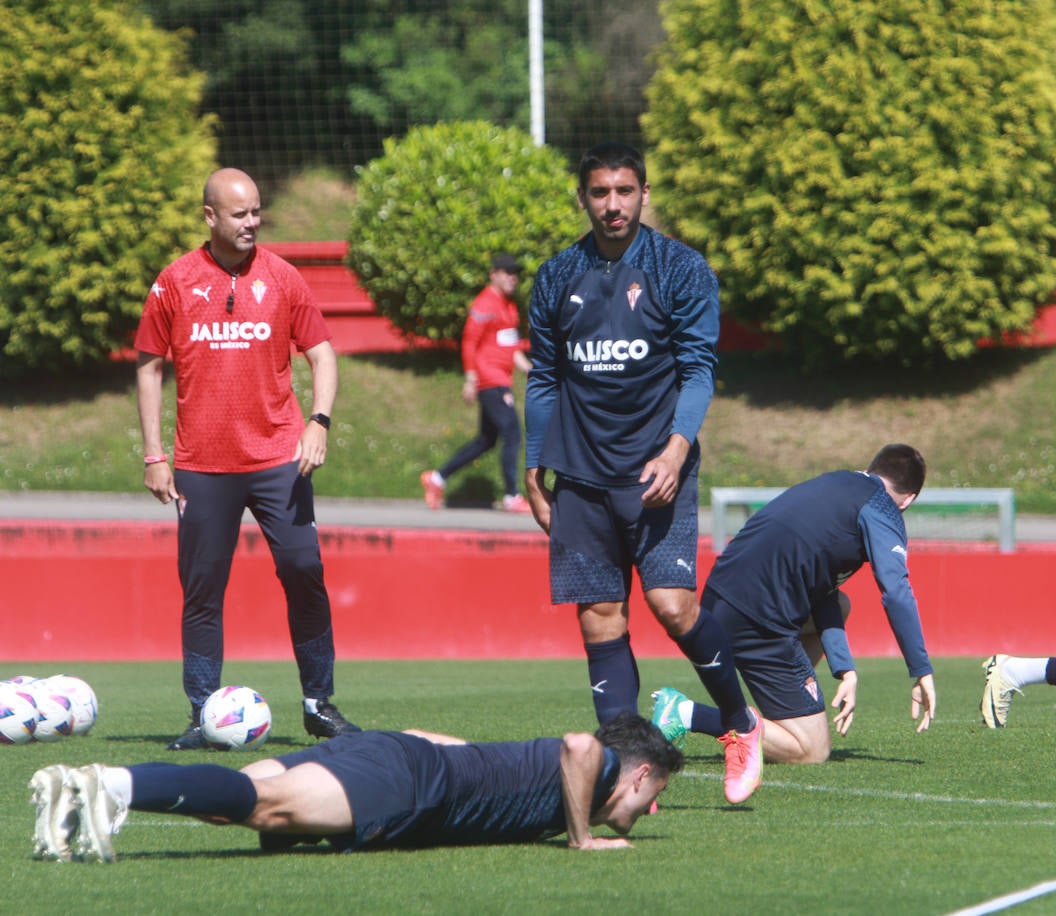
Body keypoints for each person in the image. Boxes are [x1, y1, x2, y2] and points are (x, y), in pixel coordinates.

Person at [523, 143, 764, 803]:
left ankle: (741, 726)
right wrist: (534, 462)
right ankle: (632, 767)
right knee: (600, 617)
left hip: (659, 469)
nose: (612, 205)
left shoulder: (679, 268)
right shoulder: (556, 276)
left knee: (671, 605)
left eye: (623, 191)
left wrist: (678, 448)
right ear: (583, 199)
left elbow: (697, 369)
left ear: (644, 194)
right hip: (580, 471)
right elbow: (545, 377)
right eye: (599, 193)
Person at [135, 168, 359, 750]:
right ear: (210, 216)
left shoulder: (283, 278)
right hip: (201, 466)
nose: (252, 223)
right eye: (240, 214)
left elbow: (324, 355)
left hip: (277, 459)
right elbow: (147, 366)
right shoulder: (174, 282)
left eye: (257, 211)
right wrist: (154, 453)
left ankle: (319, 704)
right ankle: (201, 712)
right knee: (203, 588)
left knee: (305, 571)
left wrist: (319, 420)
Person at [29, 713, 682, 863]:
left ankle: (92, 789)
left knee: (246, 805)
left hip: (392, 752)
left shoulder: (530, 767)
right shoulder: (594, 769)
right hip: (406, 778)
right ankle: (108, 787)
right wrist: (584, 838)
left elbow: (446, 741)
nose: (647, 810)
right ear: (642, 772)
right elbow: (581, 745)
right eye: (651, 796)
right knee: (266, 808)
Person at [651, 444, 939, 772]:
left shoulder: (835, 483)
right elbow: (897, 592)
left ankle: (789, 707)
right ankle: (687, 713)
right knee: (810, 750)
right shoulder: (882, 506)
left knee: (842, 603)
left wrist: (845, 669)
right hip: (758, 618)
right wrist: (922, 671)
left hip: (720, 603)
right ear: (909, 499)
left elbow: (823, 591)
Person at [421, 252, 533, 513]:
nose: (512, 278)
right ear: (494, 274)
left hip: (501, 379)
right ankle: (511, 496)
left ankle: (437, 478)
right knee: (513, 432)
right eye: (507, 272)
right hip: (490, 379)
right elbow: (470, 342)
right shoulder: (485, 304)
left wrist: (529, 369)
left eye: (515, 273)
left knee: (486, 439)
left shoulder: (509, 306)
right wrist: (471, 379)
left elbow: (511, 346)